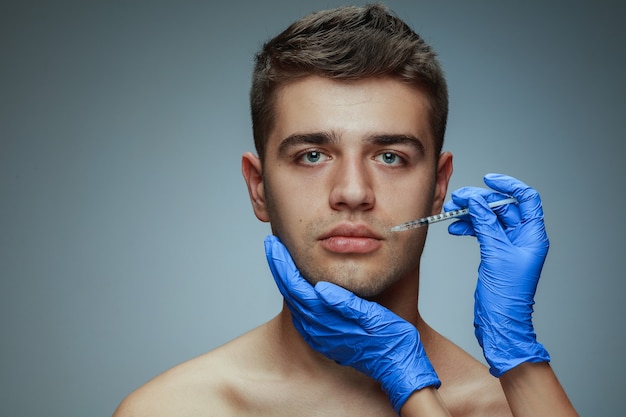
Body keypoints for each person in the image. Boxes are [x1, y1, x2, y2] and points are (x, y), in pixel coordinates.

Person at [113, 4, 578, 416]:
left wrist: (514, 353)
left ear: (439, 187)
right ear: (258, 188)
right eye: (312, 155)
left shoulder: (509, 406)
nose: (353, 192)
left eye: (390, 156)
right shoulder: (174, 410)